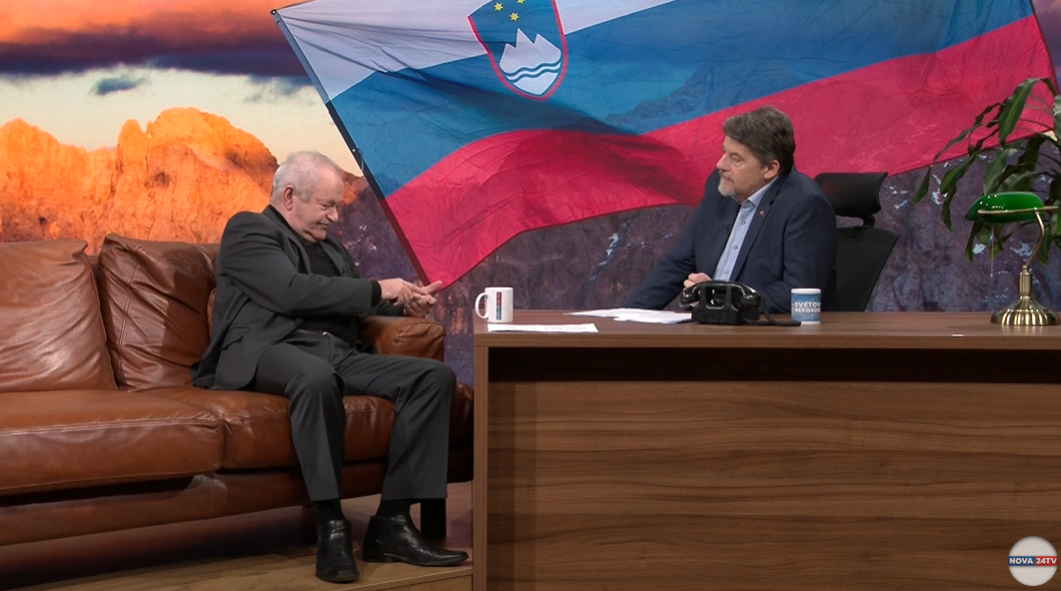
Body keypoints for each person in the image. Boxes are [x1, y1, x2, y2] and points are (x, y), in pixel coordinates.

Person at [191, 151, 467, 584]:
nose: (336, 217)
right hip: (268, 347)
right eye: (326, 205)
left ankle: (392, 523)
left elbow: (353, 305)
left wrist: (401, 304)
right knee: (315, 378)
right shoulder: (249, 230)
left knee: (433, 378)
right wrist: (378, 287)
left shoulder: (331, 248)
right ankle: (331, 526)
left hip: (336, 351)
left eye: (336, 206)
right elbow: (290, 291)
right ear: (289, 196)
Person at [625, 106, 837, 313]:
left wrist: (722, 296)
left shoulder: (804, 205)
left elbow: (799, 293)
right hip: (711, 327)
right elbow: (679, 262)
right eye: (724, 152)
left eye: (735, 159)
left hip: (763, 332)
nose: (720, 164)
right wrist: (626, 317)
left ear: (770, 168)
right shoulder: (721, 187)